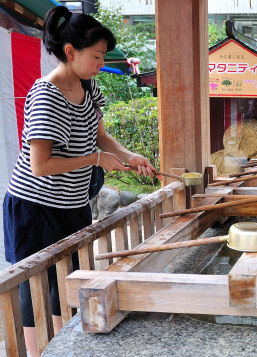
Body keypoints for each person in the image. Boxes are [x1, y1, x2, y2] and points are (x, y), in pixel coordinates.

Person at [2, 6, 155, 356]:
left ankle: (64, 348)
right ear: (70, 52)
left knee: (68, 282)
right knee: (35, 287)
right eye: (97, 56)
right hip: (35, 207)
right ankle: (38, 351)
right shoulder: (46, 94)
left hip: (71, 203)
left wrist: (129, 155)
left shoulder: (88, 88)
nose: (101, 63)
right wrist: (95, 160)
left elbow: (100, 136)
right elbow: (40, 165)